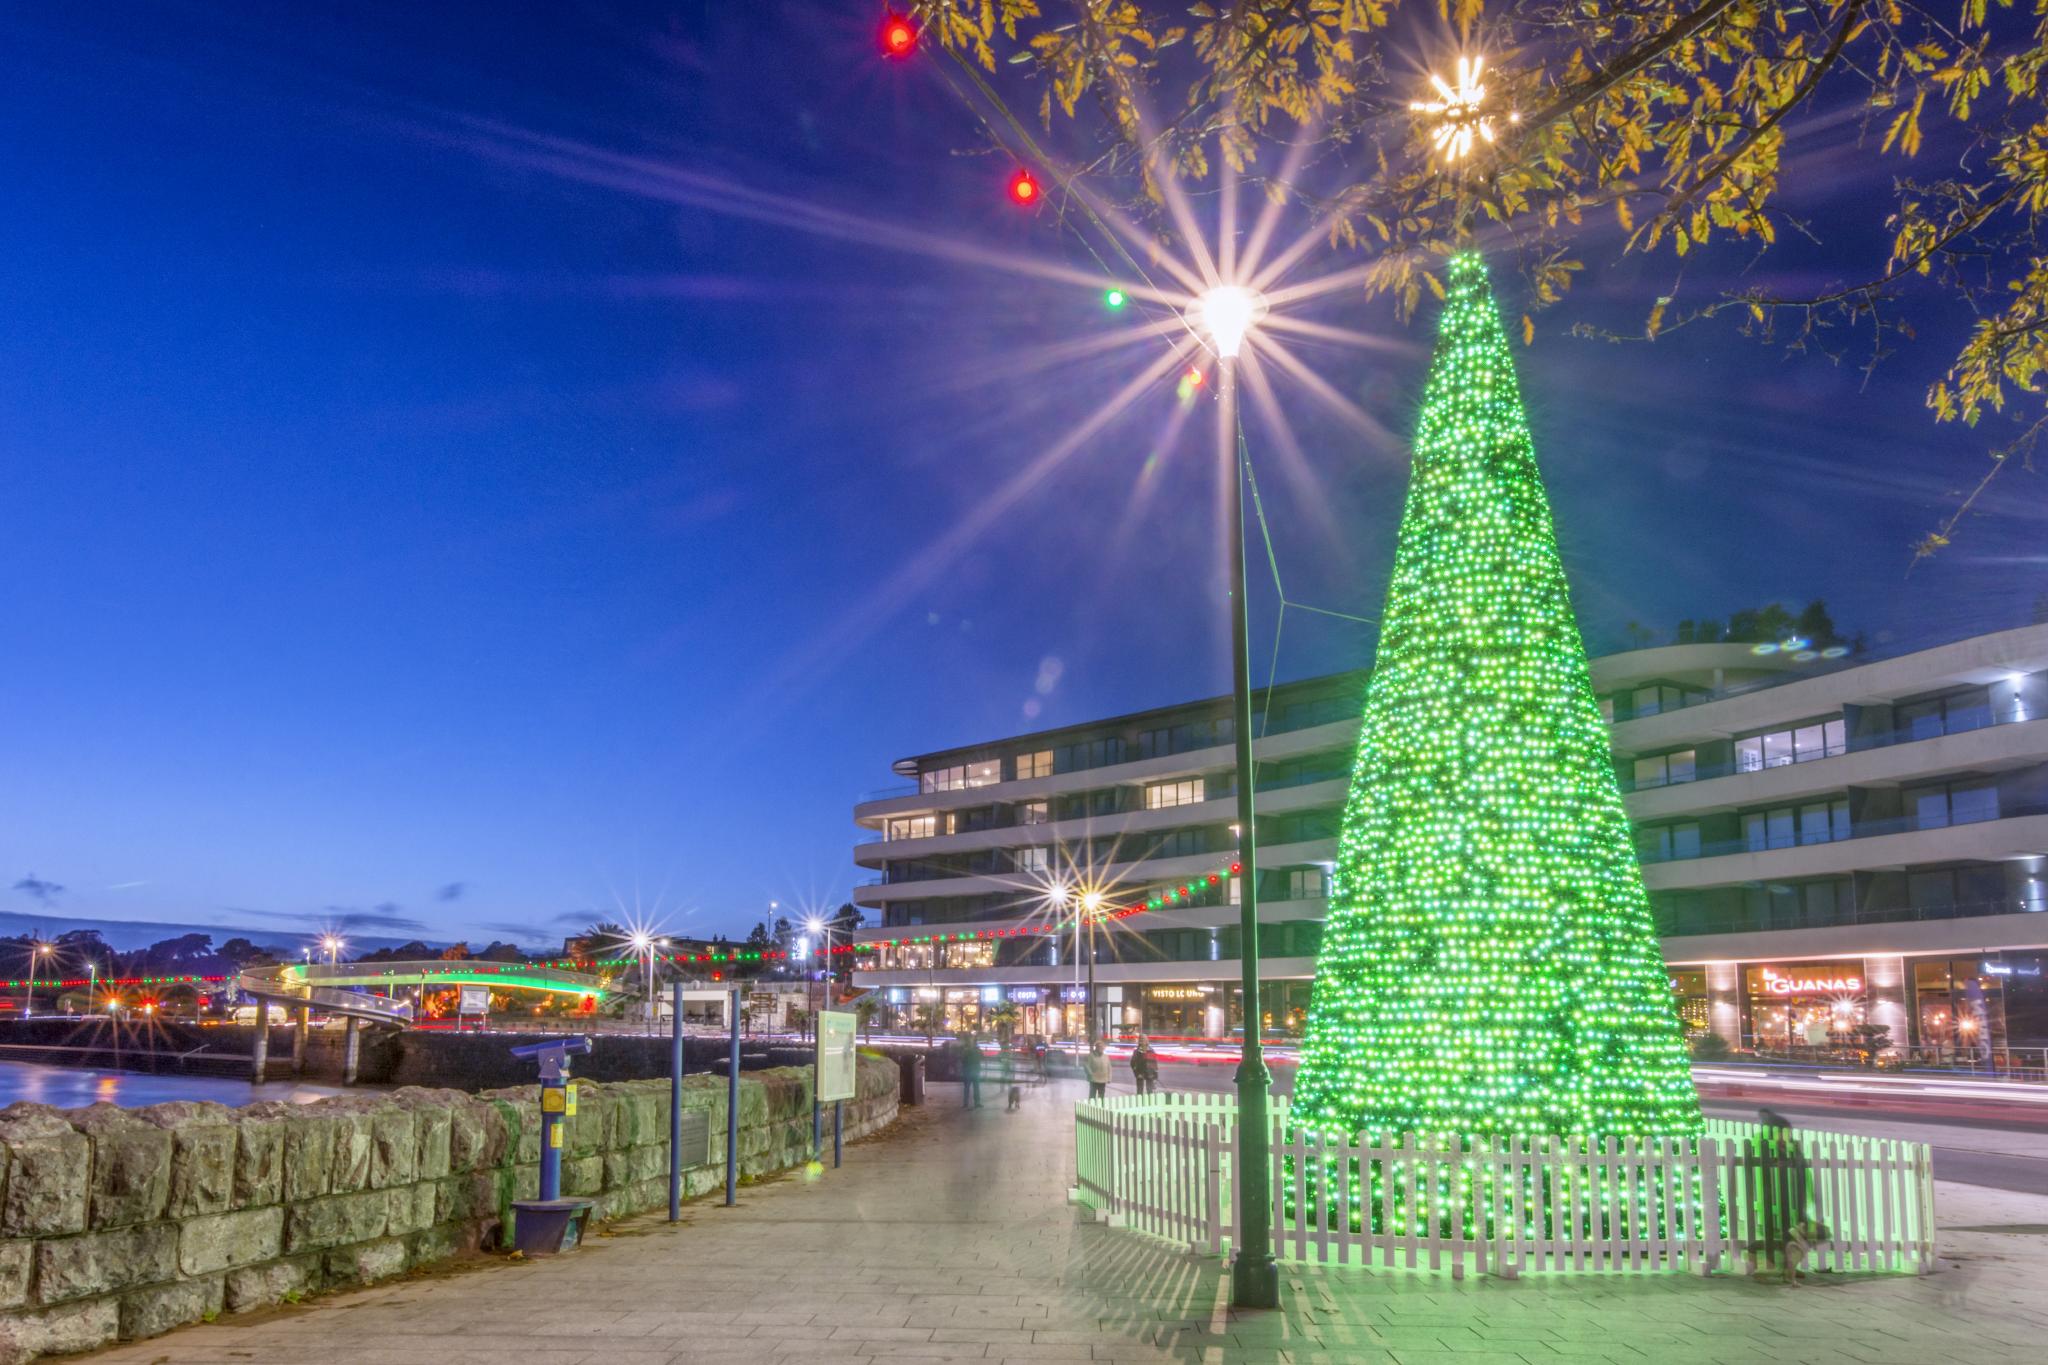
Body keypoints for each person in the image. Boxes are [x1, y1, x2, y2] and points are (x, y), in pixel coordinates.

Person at [958, 1033, 984, 1109]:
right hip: (974, 1069)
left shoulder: (966, 1049)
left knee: (968, 1087)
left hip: (968, 1069)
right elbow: (982, 1056)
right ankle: (976, 1102)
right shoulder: (975, 1049)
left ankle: (966, 1103)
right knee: (975, 1087)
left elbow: (962, 1059)